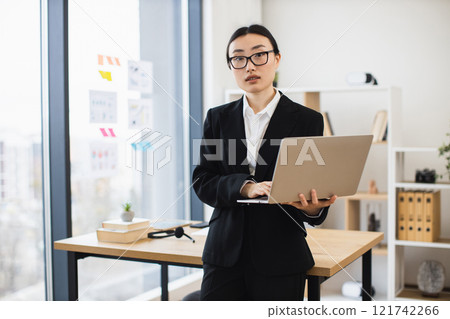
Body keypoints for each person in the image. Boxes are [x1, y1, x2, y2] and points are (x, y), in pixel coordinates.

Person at [192, 24, 337, 301]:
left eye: (259, 55)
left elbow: (311, 186)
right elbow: (203, 181)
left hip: (281, 254)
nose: (249, 66)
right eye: (238, 58)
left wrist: (313, 209)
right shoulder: (217, 118)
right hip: (223, 255)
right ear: (231, 66)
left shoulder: (308, 120)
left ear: (277, 59)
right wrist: (245, 187)